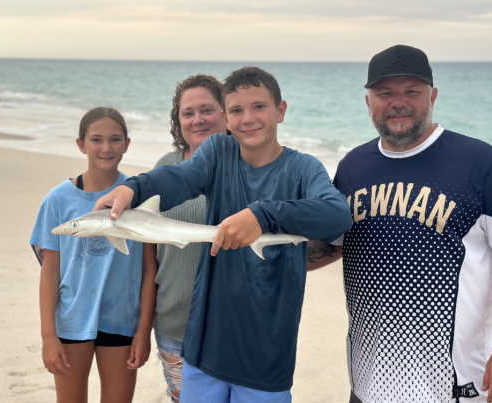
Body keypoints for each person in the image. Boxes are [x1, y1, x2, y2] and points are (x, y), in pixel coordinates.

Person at [94, 67, 352, 402]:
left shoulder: (302, 168)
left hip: (265, 358)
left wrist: (263, 214)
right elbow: (177, 178)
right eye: (236, 110)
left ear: (280, 110)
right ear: (226, 119)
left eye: (258, 106)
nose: (248, 119)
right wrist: (132, 187)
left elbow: (336, 215)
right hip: (204, 350)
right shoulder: (218, 153)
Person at [308, 45, 492, 403]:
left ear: (432, 96)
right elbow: (334, 246)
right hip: (369, 383)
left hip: (455, 386)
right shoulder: (354, 167)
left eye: (411, 91)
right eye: (385, 93)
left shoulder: (480, 162)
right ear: (368, 102)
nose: (397, 102)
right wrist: (266, 253)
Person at [30, 107, 157, 403]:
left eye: (115, 139)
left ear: (127, 144)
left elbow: (150, 270)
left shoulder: (137, 197)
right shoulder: (58, 200)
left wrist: (143, 331)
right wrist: (48, 336)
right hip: (72, 320)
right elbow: (49, 271)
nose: (106, 148)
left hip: (122, 319)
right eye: (96, 140)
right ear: (81, 144)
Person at [149, 74, 228, 402]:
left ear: (226, 113)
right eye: (188, 112)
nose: (198, 120)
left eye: (207, 109)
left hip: (232, 327)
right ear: (177, 120)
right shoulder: (164, 167)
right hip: (173, 322)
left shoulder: (250, 167)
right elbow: (148, 252)